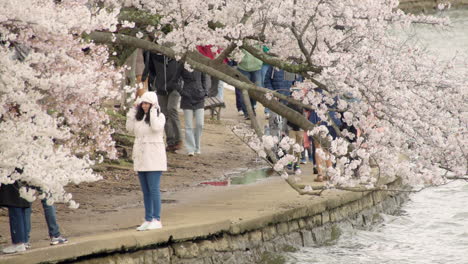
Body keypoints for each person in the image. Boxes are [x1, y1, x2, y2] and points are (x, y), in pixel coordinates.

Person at [126, 92, 167, 231]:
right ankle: (148, 218)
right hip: (141, 156)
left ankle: (157, 218)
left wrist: (154, 111)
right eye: (143, 103)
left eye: (147, 103)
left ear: (153, 104)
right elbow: (129, 128)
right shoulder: (139, 118)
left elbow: (155, 127)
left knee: (154, 189)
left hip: (154, 157)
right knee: (145, 190)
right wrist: (132, 111)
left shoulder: (159, 117)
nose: (144, 106)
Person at [142, 51, 183, 152]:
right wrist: (153, 81)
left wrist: (178, 84)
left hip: (174, 87)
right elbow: (150, 69)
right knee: (164, 114)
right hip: (160, 87)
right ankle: (170, 141)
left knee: (171, 109)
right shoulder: (154, 55)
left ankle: (179, 139)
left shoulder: (177, 54)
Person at [180, 67, 210, 156]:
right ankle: (190, 148)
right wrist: (182, 92)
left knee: (200, 124)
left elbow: (205, 78)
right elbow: (175, 80)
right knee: (188, 125)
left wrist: (205, 92)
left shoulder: (199, 64)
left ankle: (197, 146)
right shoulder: (182, 64)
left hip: (199, 97)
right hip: (187, 98)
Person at [0, 177, 31, 254]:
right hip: (22, 183)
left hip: (14, 184)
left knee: (16, 212)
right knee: (20, 212)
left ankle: (18, 242)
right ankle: (22, 241)